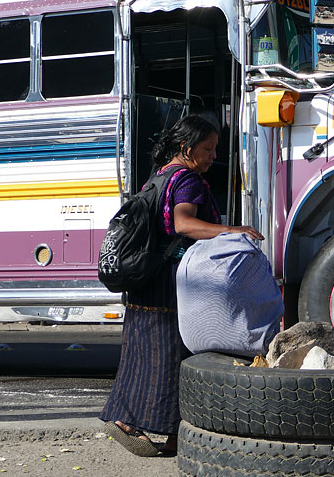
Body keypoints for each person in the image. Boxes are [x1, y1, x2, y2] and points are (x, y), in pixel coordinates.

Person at [100, 114, 263, 457]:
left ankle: (130, 421)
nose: (213, 155)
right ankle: (176, 431)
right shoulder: (186, 179)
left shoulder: (158, 177)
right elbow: (183, 223)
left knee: (141, 353)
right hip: (170, 284)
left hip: (146, 278)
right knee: (175, 356)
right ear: (187, 149)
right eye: (208, 148)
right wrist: (233, 230)